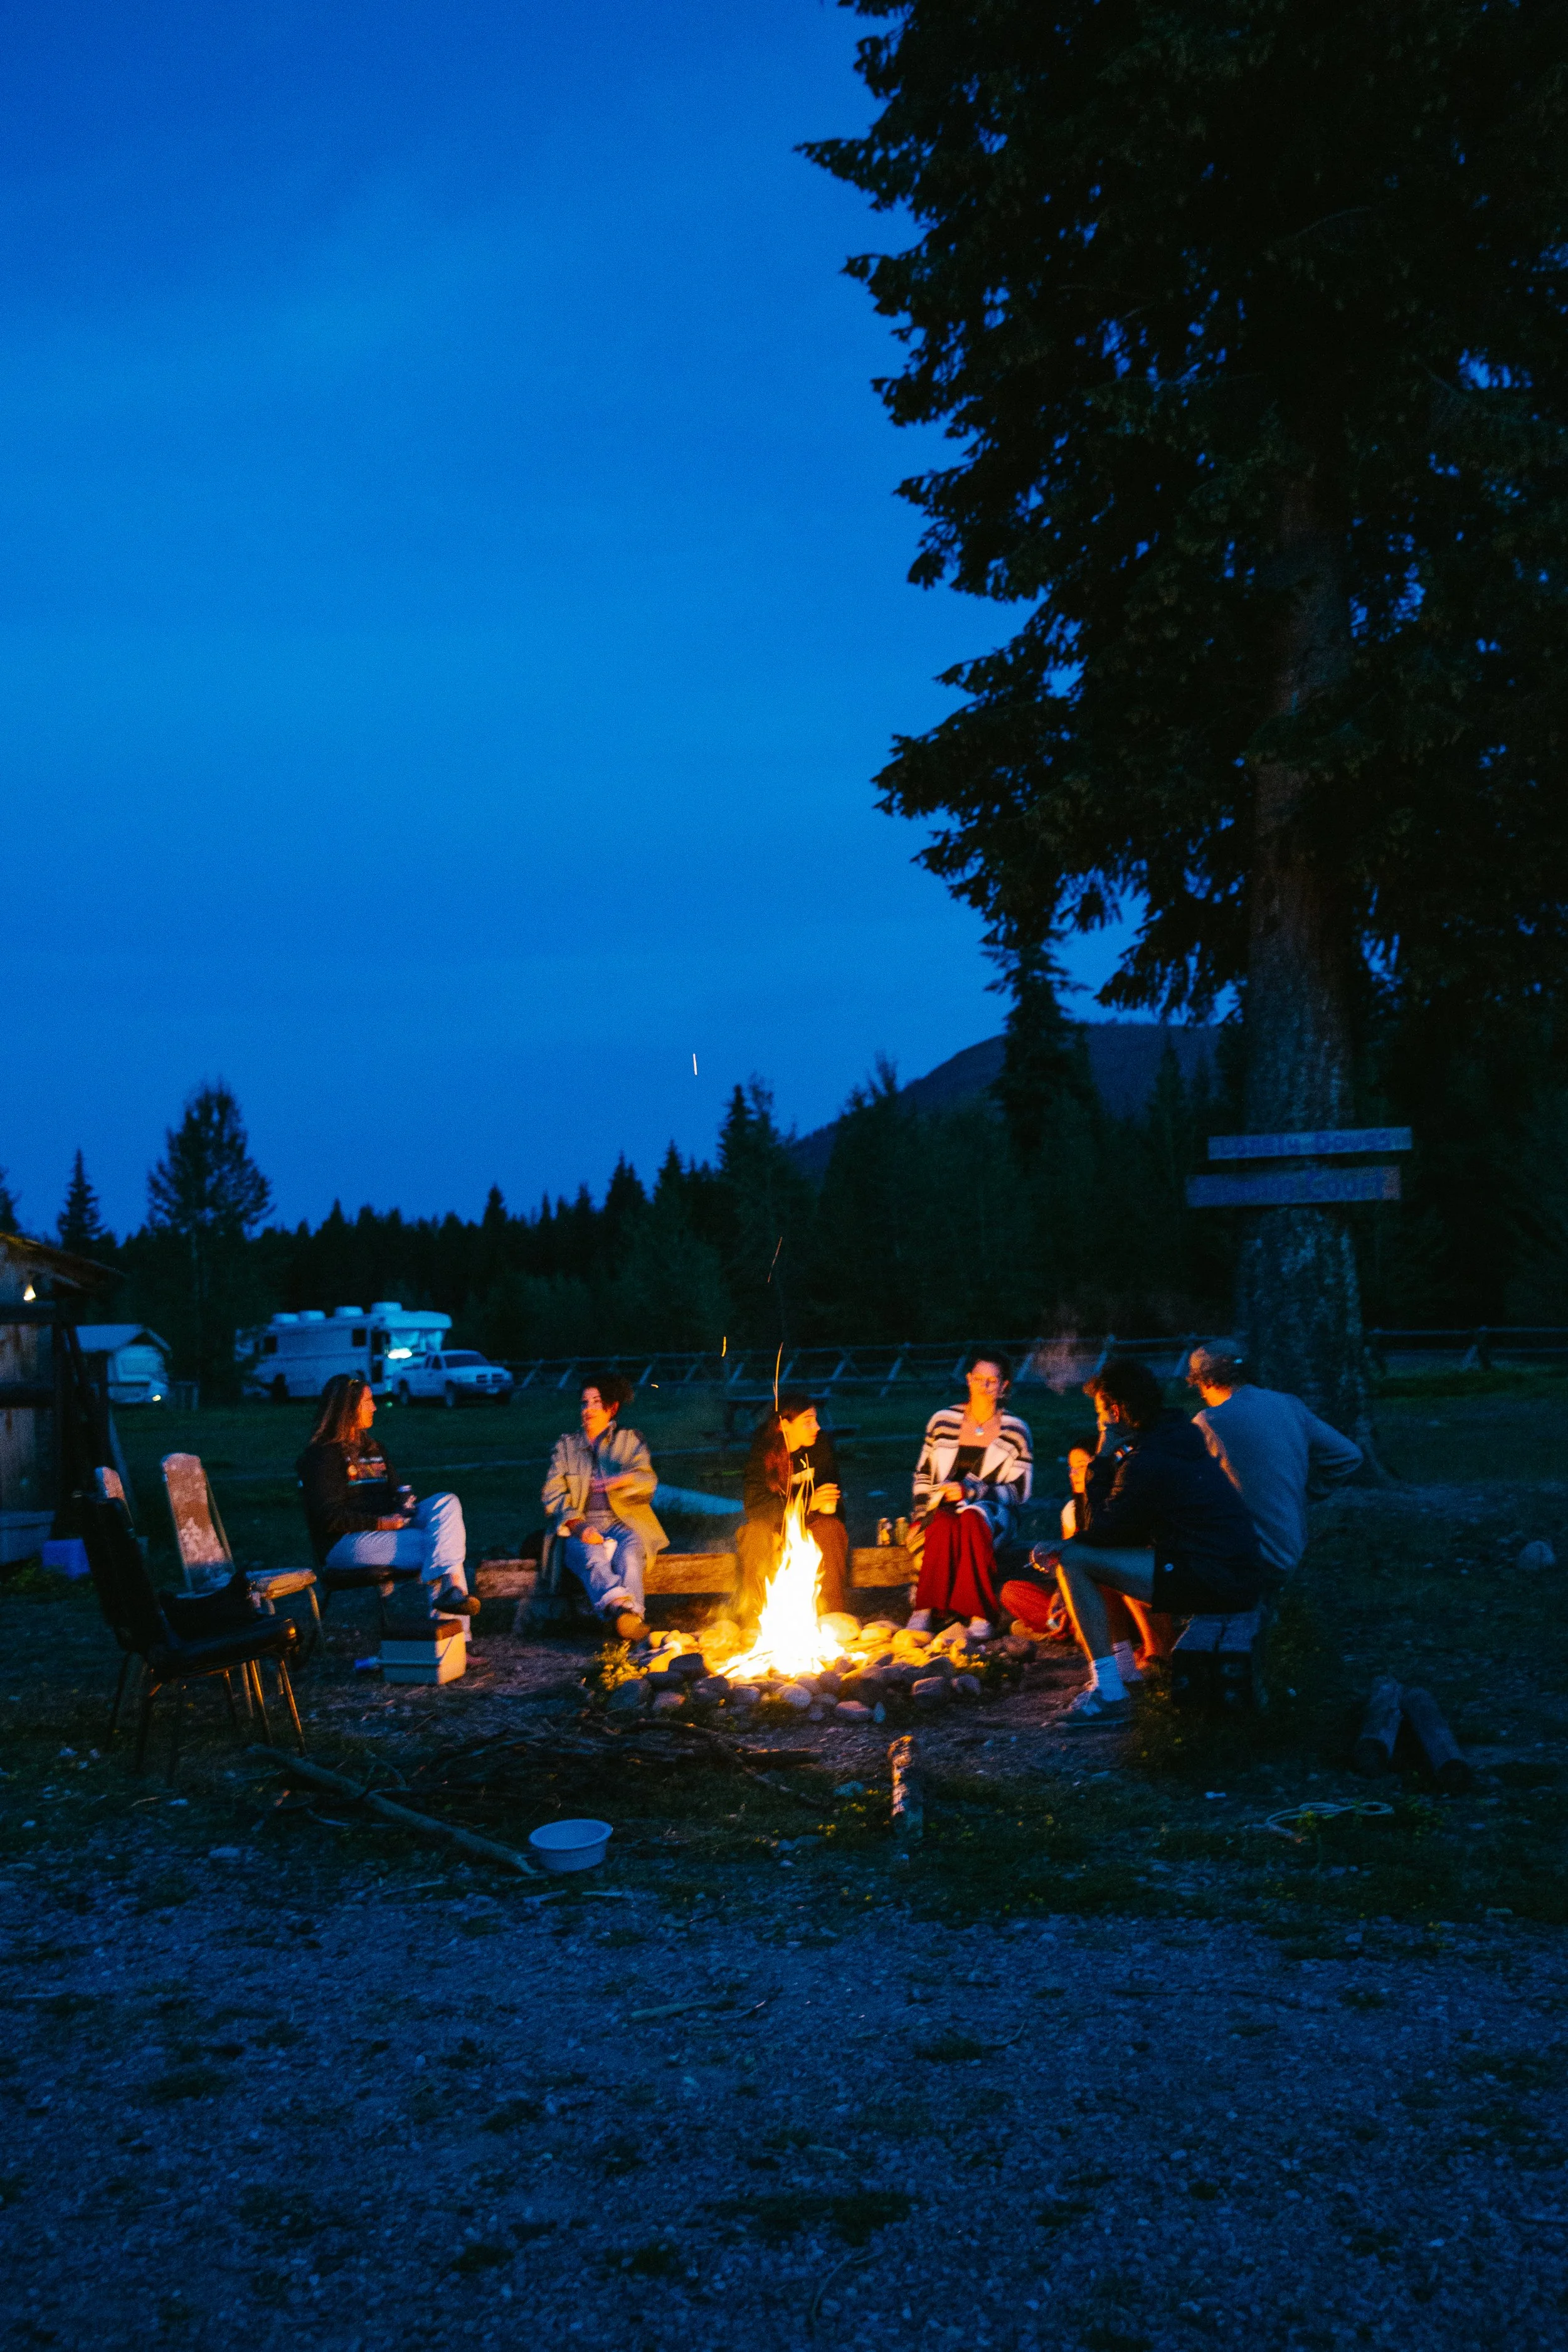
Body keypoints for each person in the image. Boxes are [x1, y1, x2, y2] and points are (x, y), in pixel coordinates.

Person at [1000, 1355, 1266, 1726]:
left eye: (1099, 1414)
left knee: (1075, 1560)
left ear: (1116, 1411)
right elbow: (1112, 1530)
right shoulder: (1171, 1437)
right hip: (1224, 1568)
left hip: (1213, 1577)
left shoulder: (1147, 1458)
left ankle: (1109, 1692)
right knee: (1081, 1554)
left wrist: (1100, 1464)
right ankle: (1121, 1672)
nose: (1098, 1424)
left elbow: (1102, 1534)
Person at [297, 1372, 477, 1616]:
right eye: (368, 1401)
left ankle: (449, 1600)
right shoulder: (322, 1456)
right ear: (347, 1409)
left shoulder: (374, 1448)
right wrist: (381, 1522)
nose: (375, 1408)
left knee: (447, 1503)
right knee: (441, 1546)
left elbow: (397, 1490)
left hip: (386, 1530)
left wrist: (405, 1503)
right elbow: (329, 1517)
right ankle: (451, 1640)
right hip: (346, 1543)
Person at [1186, 1338, 1364, 1574]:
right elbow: (1349, 1455)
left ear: (1204, 1382)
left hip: (1243, 1556)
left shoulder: (1207, 1422)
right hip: (1292, 1548)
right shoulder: (1289, 1405)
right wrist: (1306, 1492)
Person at [908, 1350, 1033, 1640]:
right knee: (943, 1523)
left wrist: (973, 1491)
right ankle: (925, 1609)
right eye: (979, 1379)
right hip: (941, 1509)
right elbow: (923, 1475)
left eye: (992, 1381)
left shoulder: (1016, 1430)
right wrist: (920, 1514)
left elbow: (1020, 1490)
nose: (984, 1386)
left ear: (1004, 1387)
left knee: (973, 1518)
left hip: (995, 1516)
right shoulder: (942, 1420)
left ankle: (980, 1613)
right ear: (968, 1380)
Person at [542, 1371, 666, 1643]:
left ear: (612, 1408)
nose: (588, 1409)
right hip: (580, 1523)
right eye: (585, 1403)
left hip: (624, 1522)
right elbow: (552, 1493)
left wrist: (625, 1479)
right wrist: (576, 1524)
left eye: (596, 1403)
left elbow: (648, 1481)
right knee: (592, 1556)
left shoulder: (630, 1442)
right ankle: (624, 1613)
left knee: (631, 1557)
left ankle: (627, 1619)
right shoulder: (566, 1446)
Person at [737, 1391, 848, 1626]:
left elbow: (832, 1500)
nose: (817, 1427)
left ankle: (831, 1617)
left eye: (816, 1420)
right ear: (784, 1425)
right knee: (754, 1535)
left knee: (831, 1530)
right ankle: (754, 1622)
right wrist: (806, 1505)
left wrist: (825, 1505)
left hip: (811, 1524)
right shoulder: (763, 1452)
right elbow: (756, 1506)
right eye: (808, 1422)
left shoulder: (820, 1448)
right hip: (773, 1525)